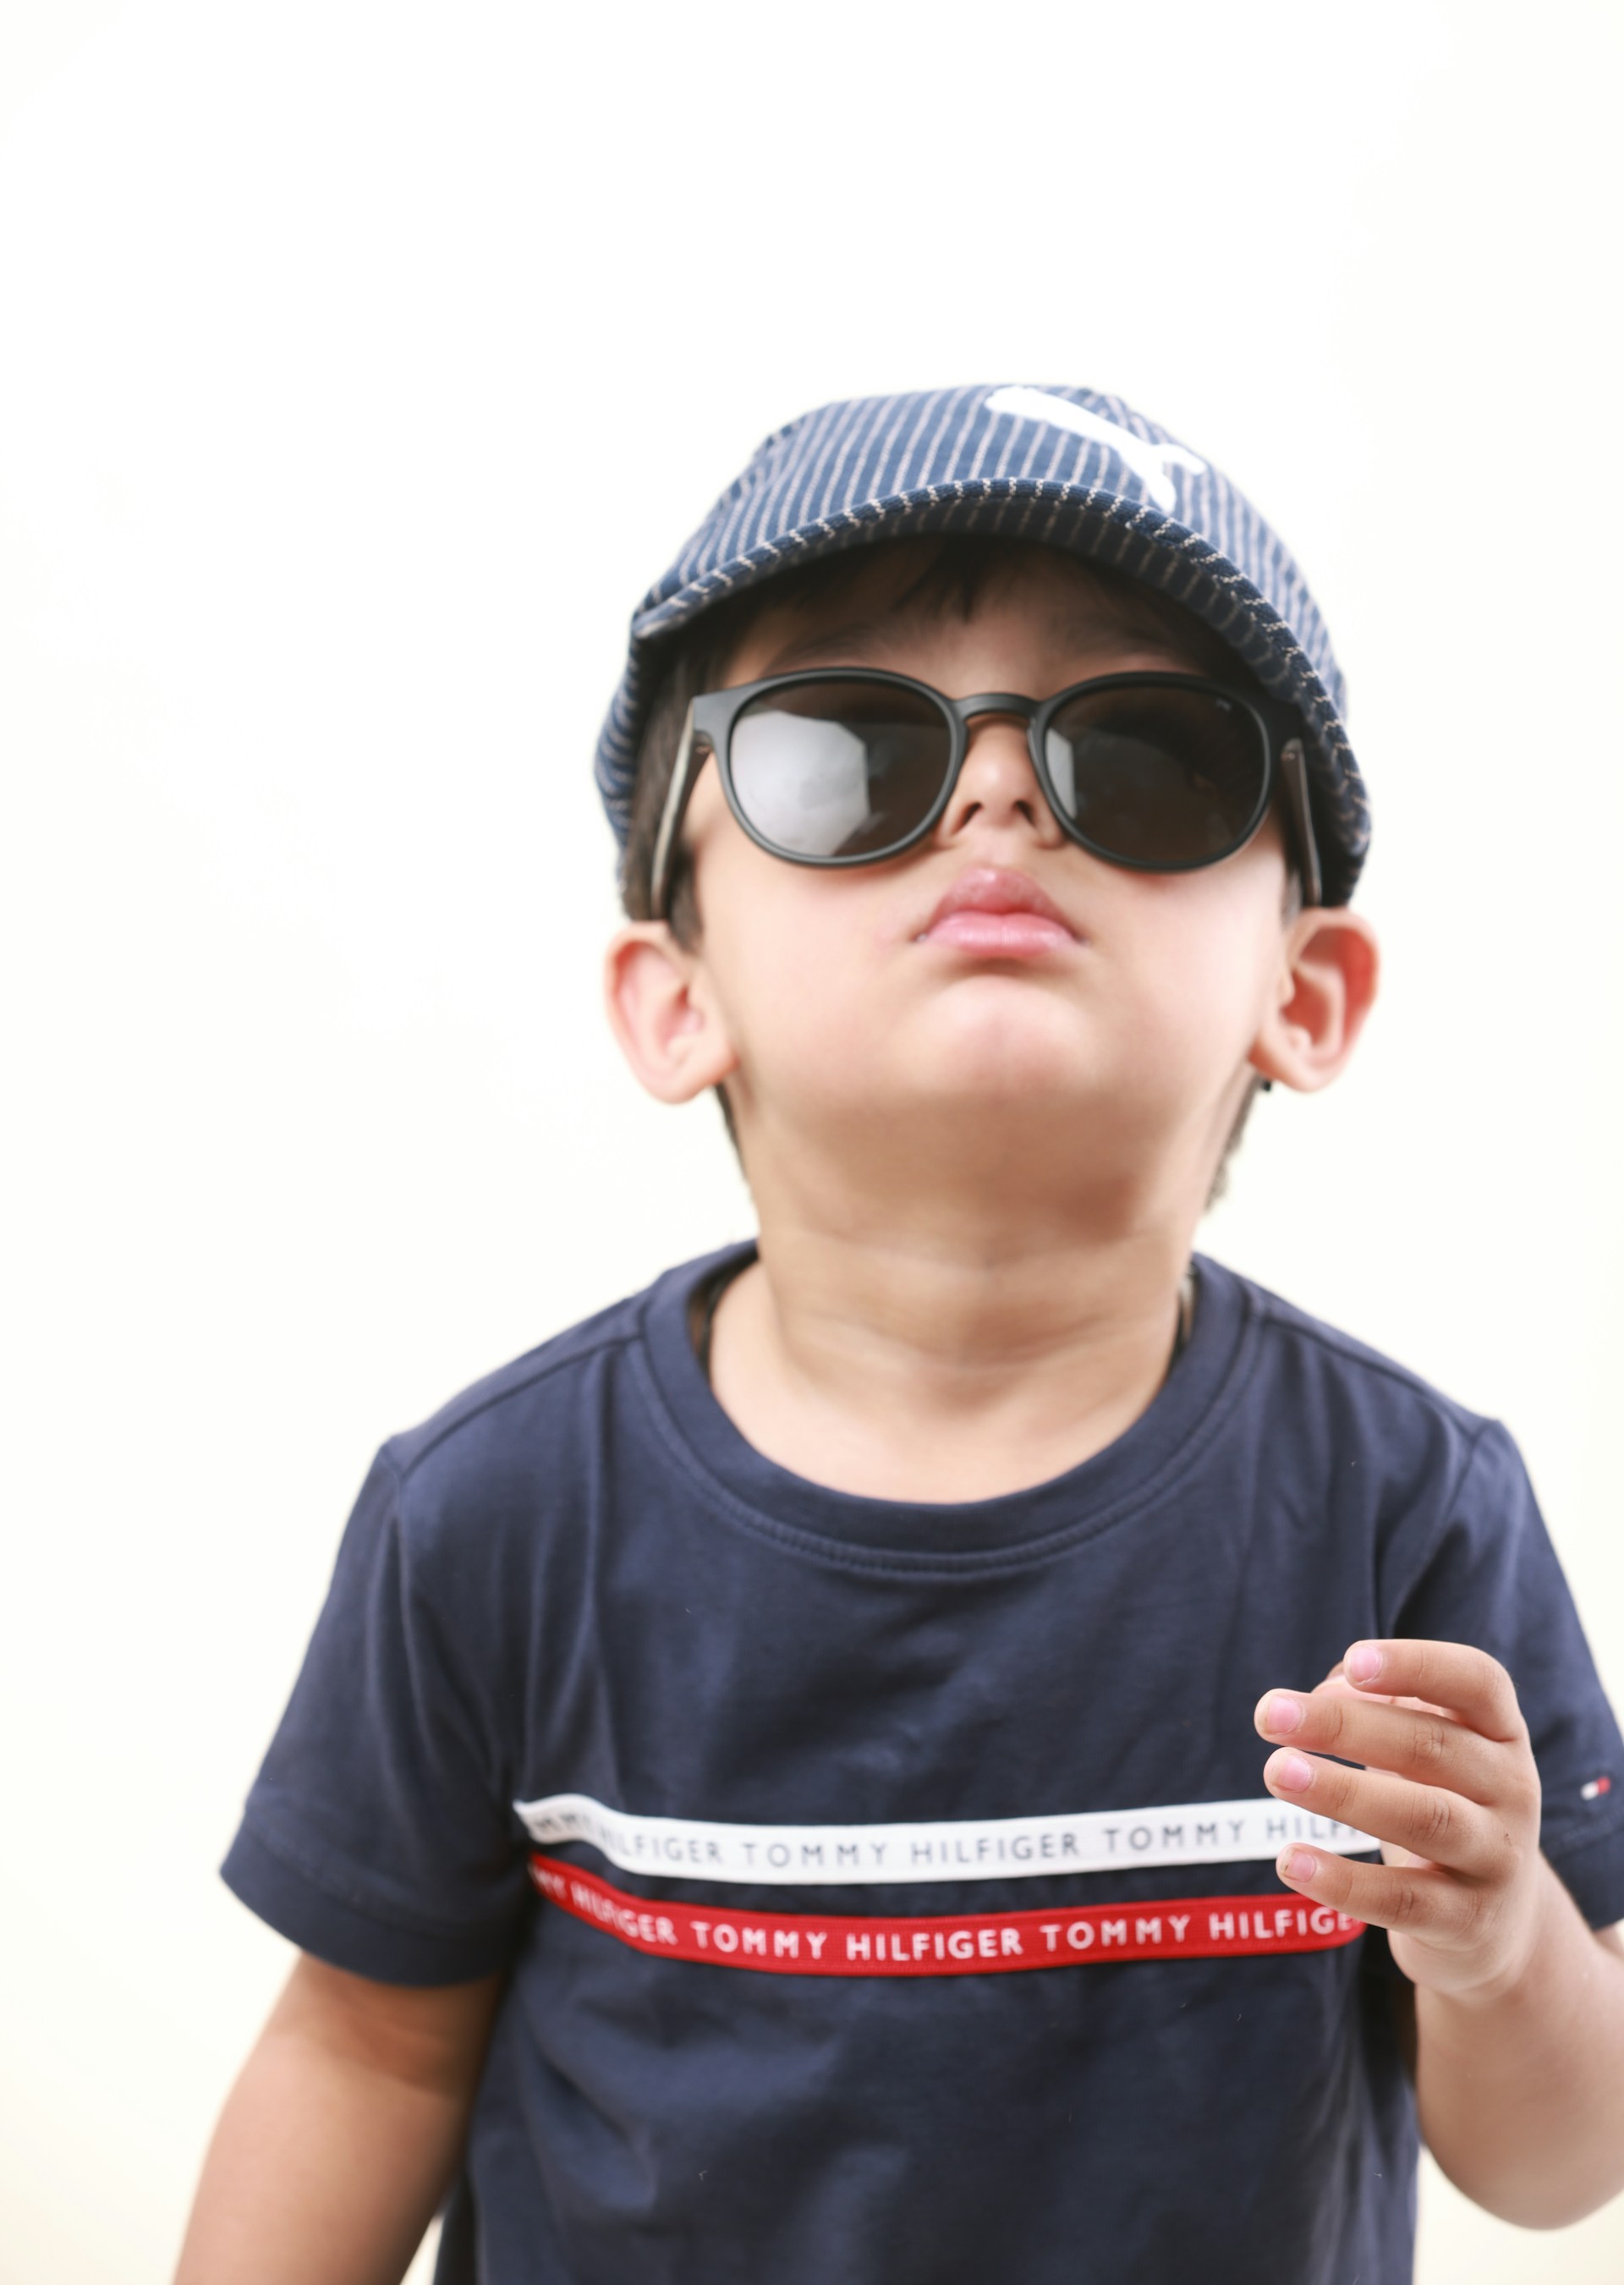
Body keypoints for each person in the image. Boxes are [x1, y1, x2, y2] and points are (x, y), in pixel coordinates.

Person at [176, 386, 1624, 2285]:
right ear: (672, 997)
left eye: (1154, 754)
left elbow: (1552, 2165)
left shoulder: (1403, 1508)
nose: (1000, 793)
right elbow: (361, 2047)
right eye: (847, 753)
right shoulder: (497, 1514)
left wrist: (1497, 1931)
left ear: (1310, 989)